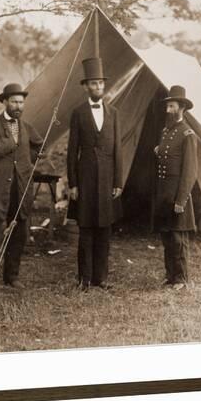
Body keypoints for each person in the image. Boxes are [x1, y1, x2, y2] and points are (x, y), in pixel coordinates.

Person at [0, 83, 43, 294]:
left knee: (19, 235)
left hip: (20, 190)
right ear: (5, 102)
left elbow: (38, 145)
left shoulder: (27, 127)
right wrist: (10, 142)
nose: (18, 106)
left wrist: (29, 162)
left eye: (21, 102)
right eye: (14, 101)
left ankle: (11, 277)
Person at [67, 58, 123, 290]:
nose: (98, 87)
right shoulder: (78, 113)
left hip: (108, 179)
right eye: (93, 83)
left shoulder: (114, 113)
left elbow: (118, 149)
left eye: (101, 83)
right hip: (86, 179)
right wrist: (73, 184)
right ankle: (84, 279)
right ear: (86, 87)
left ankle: (102, 279)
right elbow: (72, 151)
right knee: (87, 229)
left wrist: (118, 181)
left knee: (104, 230)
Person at [153, 85, 198, 291]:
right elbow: (166, 155)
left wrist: (181, 200)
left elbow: (190, 171)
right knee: (166, 235)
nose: (168, 110)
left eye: (171, 106)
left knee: (178, 237)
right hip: (164, 192)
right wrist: (158, 150)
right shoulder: (165, 131)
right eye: (167, 106)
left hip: (178, 193)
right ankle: (171, 276)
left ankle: (181, 279)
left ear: (181, 109)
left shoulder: (187, 134)